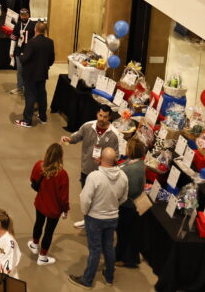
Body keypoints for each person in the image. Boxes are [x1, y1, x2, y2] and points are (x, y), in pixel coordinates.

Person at [70, 147, 128, 288]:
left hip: (95, 218)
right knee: (108, 246)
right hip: (112, 217)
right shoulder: (123, 176)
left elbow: (85, 199)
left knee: (95, 249)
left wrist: (86, 212)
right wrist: (113, 207)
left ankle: (87, 280)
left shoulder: (94, 177)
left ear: (100, 159)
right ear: (115, 160)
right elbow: (124, 198)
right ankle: (109, 277)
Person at [28, 143, 70, 266]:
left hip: (40, 203)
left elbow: (32, 180)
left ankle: (34, 244)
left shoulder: (38, 165)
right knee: (49, 231)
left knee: (38, 223)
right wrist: (65, 209)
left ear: (47, 153)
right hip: (54, 209)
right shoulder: (62, 174)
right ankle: (42, 257)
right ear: (60, 157)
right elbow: (64, 197)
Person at [61, 104, 121, 189]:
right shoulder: (87, 126)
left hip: (102, 173)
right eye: (100, 115)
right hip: (86, 170)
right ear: (97, 114)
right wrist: (68, 139)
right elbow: (76, 136)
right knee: (85, 192)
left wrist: (103, 160)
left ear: (109, 117)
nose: (102, 119)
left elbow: (116, 156)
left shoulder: (114, 135)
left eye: (105, 117)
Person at [15, 20, 55, 128]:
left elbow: (25, 59)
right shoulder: (50, 42)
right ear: (44, 31)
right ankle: (43, 117)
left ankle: (27, 120)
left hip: (30, 74)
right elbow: (51, 59)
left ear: (35, 29)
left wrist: (21, 55)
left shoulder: (32, 42)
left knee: (30, 96)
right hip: (42, 73)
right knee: (42, 95)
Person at [115, 139, 147, 270]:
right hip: (126, 205)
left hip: (127, 206)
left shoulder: (134, 169)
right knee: (124, 233)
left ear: (131, 151)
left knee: (124, 233)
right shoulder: (134, 163)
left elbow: (132, 190)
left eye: (127, 147)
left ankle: (123, 258)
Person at [9, 8, 36, 96]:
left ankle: (27, 88)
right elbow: (13, 38)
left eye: (25, 15)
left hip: (29, 53)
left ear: (29, 15)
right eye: (22, 15)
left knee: (28, 71)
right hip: (19, 51)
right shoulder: (18, 24)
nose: (23, 17)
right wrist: (11, 51)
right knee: (19, 70)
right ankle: (19, 87)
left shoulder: (33, 25)